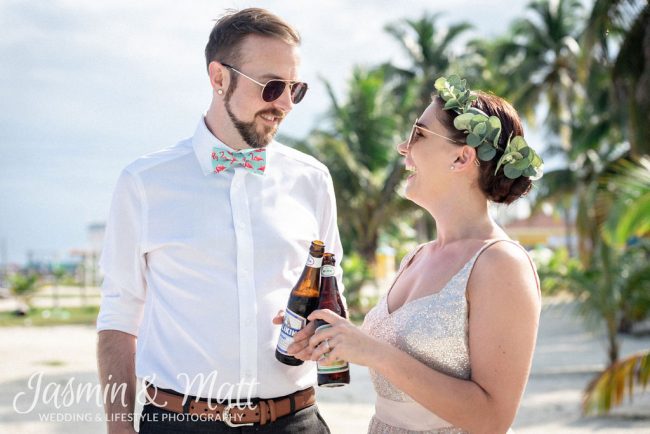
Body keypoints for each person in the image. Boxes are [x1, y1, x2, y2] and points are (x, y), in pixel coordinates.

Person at [96, 8, 343, 434]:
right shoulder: (144, 183)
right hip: (178, 423)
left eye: (295, 89)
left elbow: (332, 289)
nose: (285, 104)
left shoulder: (312, 179)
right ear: (219, 77)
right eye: (272, 87)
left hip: (296, 421)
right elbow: (120, 313)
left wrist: (319, 328)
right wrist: (119, 427)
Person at [289, 76, 542, 434]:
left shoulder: (501, 263)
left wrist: (372, 352)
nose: (402, 147)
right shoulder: (416, 256)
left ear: (462, 157)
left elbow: (493, 419)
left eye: (418, 134)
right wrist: (333, 336)